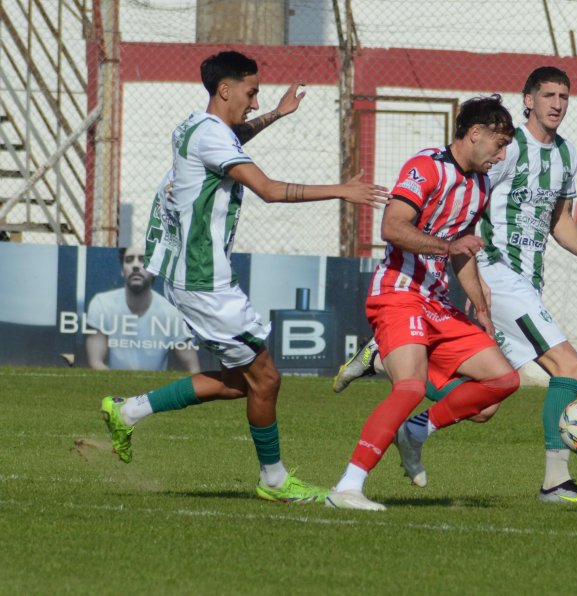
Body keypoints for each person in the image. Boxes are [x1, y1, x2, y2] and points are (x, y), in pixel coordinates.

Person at [100, 50, 390, 505]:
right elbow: (270, 190)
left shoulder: (196, 126)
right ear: (226, 89)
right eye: (252, 93)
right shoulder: (213, 138)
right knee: (266, 379)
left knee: (244, 381)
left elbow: (234, 137)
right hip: (203, 280)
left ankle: (128, 410)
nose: (254, 103)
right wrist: (342, 190)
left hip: (196, 275)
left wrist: (277, 113)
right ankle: (273, 480)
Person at [333, 66, 577, 504]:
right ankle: (556, 482)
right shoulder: (490, 153)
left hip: (495, 286)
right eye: (549, 95)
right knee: (568, 365)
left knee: (487, 403)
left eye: (564, 96)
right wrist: (460, 257)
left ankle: (402, 396)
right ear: (528, 101)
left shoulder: (561, 156)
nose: (558, 103)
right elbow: (412, 224)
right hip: (497, 274)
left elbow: (558, 218)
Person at [326, 95, 520, 511]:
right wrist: (449, 245)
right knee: (411, 387)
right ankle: (347, 487)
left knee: (501, 384)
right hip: (397, 292)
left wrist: (483, 310)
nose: (501, 154)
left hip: (435, 302)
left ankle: (416, 431)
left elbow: (462, 250)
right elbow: (392, 226)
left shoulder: (480, 185)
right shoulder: (425, 167)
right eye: (498, 144)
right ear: (474, 134)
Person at [86, 245, 200, 372]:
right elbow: (95, 362)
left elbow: (193, 369)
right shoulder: (102, 304)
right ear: (122, 270)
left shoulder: (171, 312)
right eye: (129, 260)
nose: (135, 265)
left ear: (154, 270)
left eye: (143, 260)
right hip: (113, 388)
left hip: (157, 390)